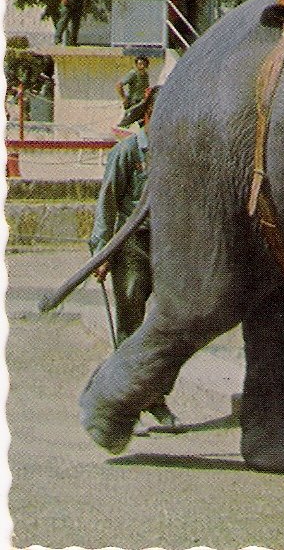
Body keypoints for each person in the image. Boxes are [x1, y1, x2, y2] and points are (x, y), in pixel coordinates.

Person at [89, 86, 176, 430]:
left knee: (170, 322)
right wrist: (101, 252)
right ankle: (125, 404)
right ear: (148, 116)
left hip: (166, 245)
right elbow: (107, 202)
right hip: (131, 245)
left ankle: (155, 398)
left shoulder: (174, 151)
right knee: (130, 323)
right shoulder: (127, 152)